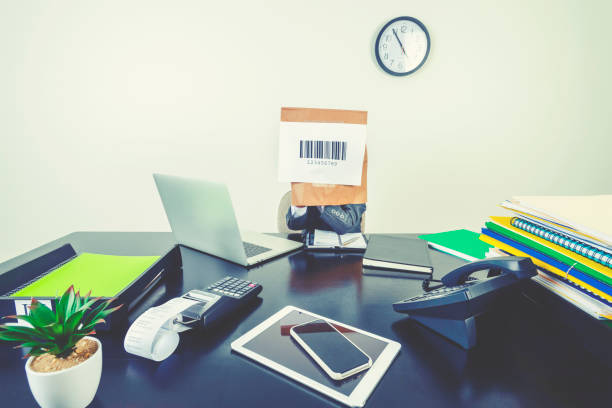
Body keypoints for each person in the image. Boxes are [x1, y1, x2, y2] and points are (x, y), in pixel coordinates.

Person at [286, 204, 366, 234]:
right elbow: (293, 225)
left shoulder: (355, 187)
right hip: (311, 253)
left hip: (348, 253)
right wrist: (300, 207)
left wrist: (323, 204)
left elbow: (345, 225)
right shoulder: (306, 186)